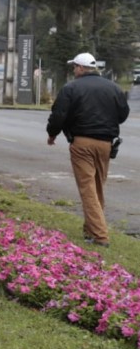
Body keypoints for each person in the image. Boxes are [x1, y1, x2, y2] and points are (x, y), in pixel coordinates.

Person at [46, 52, 129, 248]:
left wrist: (52, 134)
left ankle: (100, 236)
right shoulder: (113, 87)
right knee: (98, 186)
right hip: (106, 144)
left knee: (87, 188)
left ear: (81, 68)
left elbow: (59, 115)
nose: (74, 70)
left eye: (75, 67)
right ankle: (90, 230)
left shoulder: (71, 88)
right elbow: (123, 114)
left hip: (82, 142)